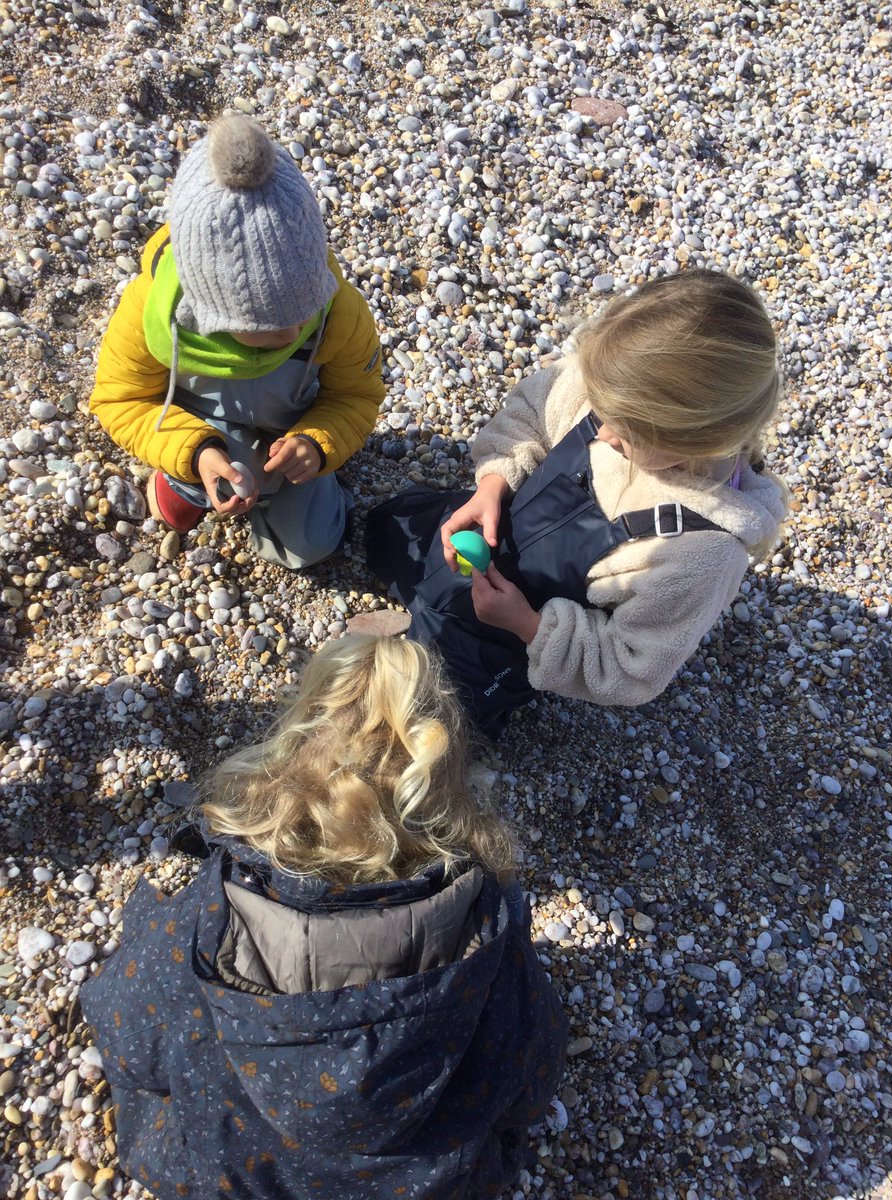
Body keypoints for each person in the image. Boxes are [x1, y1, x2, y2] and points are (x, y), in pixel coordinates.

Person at [80, 636, 567, 1200]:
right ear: (442, 778)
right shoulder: (489, 937)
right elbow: (533, 1079)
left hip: (238, 1177)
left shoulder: (205, 922)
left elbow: (123, 1033)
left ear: (293, 753)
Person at [367, 269, 788, 737]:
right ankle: (417, 611)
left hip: (511, 636)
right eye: (599, 413)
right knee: (382, 534)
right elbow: (528, 412)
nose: (601, 434)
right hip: (489, 535)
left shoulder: (701, 552)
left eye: (624, 435)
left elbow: (629, 669)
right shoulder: (615, 383)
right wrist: (491, 486)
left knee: (426, 721)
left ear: (700, 439)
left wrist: (528, 625)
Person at [89, 113, 384, 570]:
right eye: (264, 328)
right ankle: (184, 480)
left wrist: (318, 443)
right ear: (207, 309)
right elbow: (120, 401)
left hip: (290, 440)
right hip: (201, 429)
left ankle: (290, 491)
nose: (290, 334)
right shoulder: (152, 313)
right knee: (186, 495)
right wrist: (195, 453)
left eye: (303, 314)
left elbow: (357, 397)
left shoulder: (340, 311)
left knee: (313, 545)